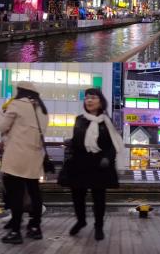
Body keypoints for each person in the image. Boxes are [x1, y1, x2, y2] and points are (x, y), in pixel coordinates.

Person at [64, 88, 122, 241]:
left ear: (101, 101)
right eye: (87, 98)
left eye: (93, 97)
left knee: (98, 198)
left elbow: (113, 145)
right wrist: (70, 144)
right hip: (79, 162)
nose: (89, 100)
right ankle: (81, 221)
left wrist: (108, 159)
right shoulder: (79, 119)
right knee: (77, 196)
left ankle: (98, 226)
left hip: (99, 164)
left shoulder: (107, 122)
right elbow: (76, 141)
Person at [0, 81, 49, 244]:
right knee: (34, 193)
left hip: (16, 158)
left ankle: (15, 231)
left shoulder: (17, 104)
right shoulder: (43, 109)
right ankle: (35, 228)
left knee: (16, 195)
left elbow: (2, 126)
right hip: (34, 158)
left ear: (20, 91)